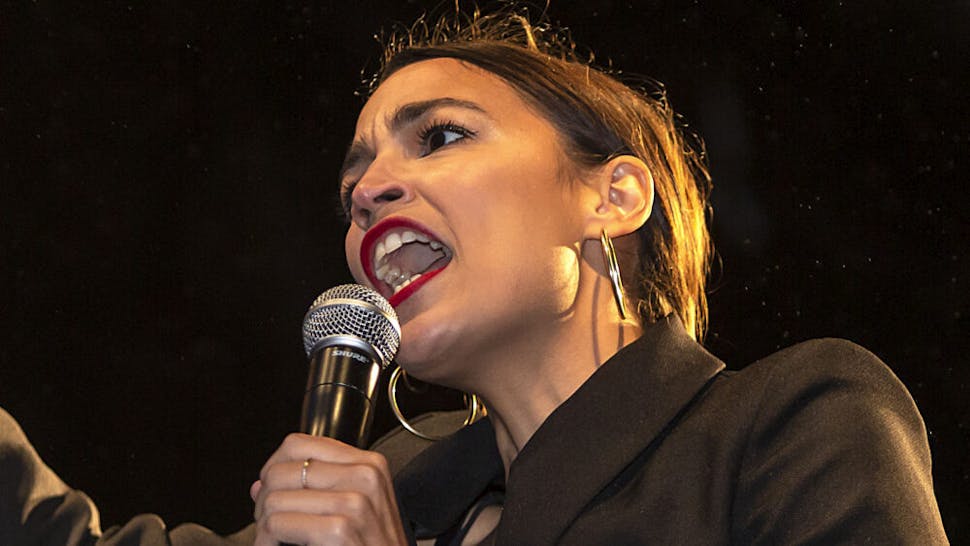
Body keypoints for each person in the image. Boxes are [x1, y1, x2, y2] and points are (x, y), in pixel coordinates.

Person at [1, 5, 949, 545]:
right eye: (354, 179)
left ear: (613, 195)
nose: (368, 189)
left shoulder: (789, 425)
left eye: (441, 136)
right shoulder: (399, 490)